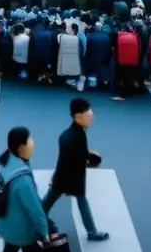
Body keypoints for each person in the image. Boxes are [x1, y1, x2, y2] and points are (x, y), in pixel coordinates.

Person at [42, 97, 108, 241]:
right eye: (88, 115)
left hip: (69, 177)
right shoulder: (73, 138)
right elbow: (65, 162)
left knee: (51, 202)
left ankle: (92, 231)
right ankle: (91, 232)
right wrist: (90, 159)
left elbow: (68, 159)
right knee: (49, 203)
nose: (91, 116)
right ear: (78, 117)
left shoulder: (72, 134)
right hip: (68, 177)